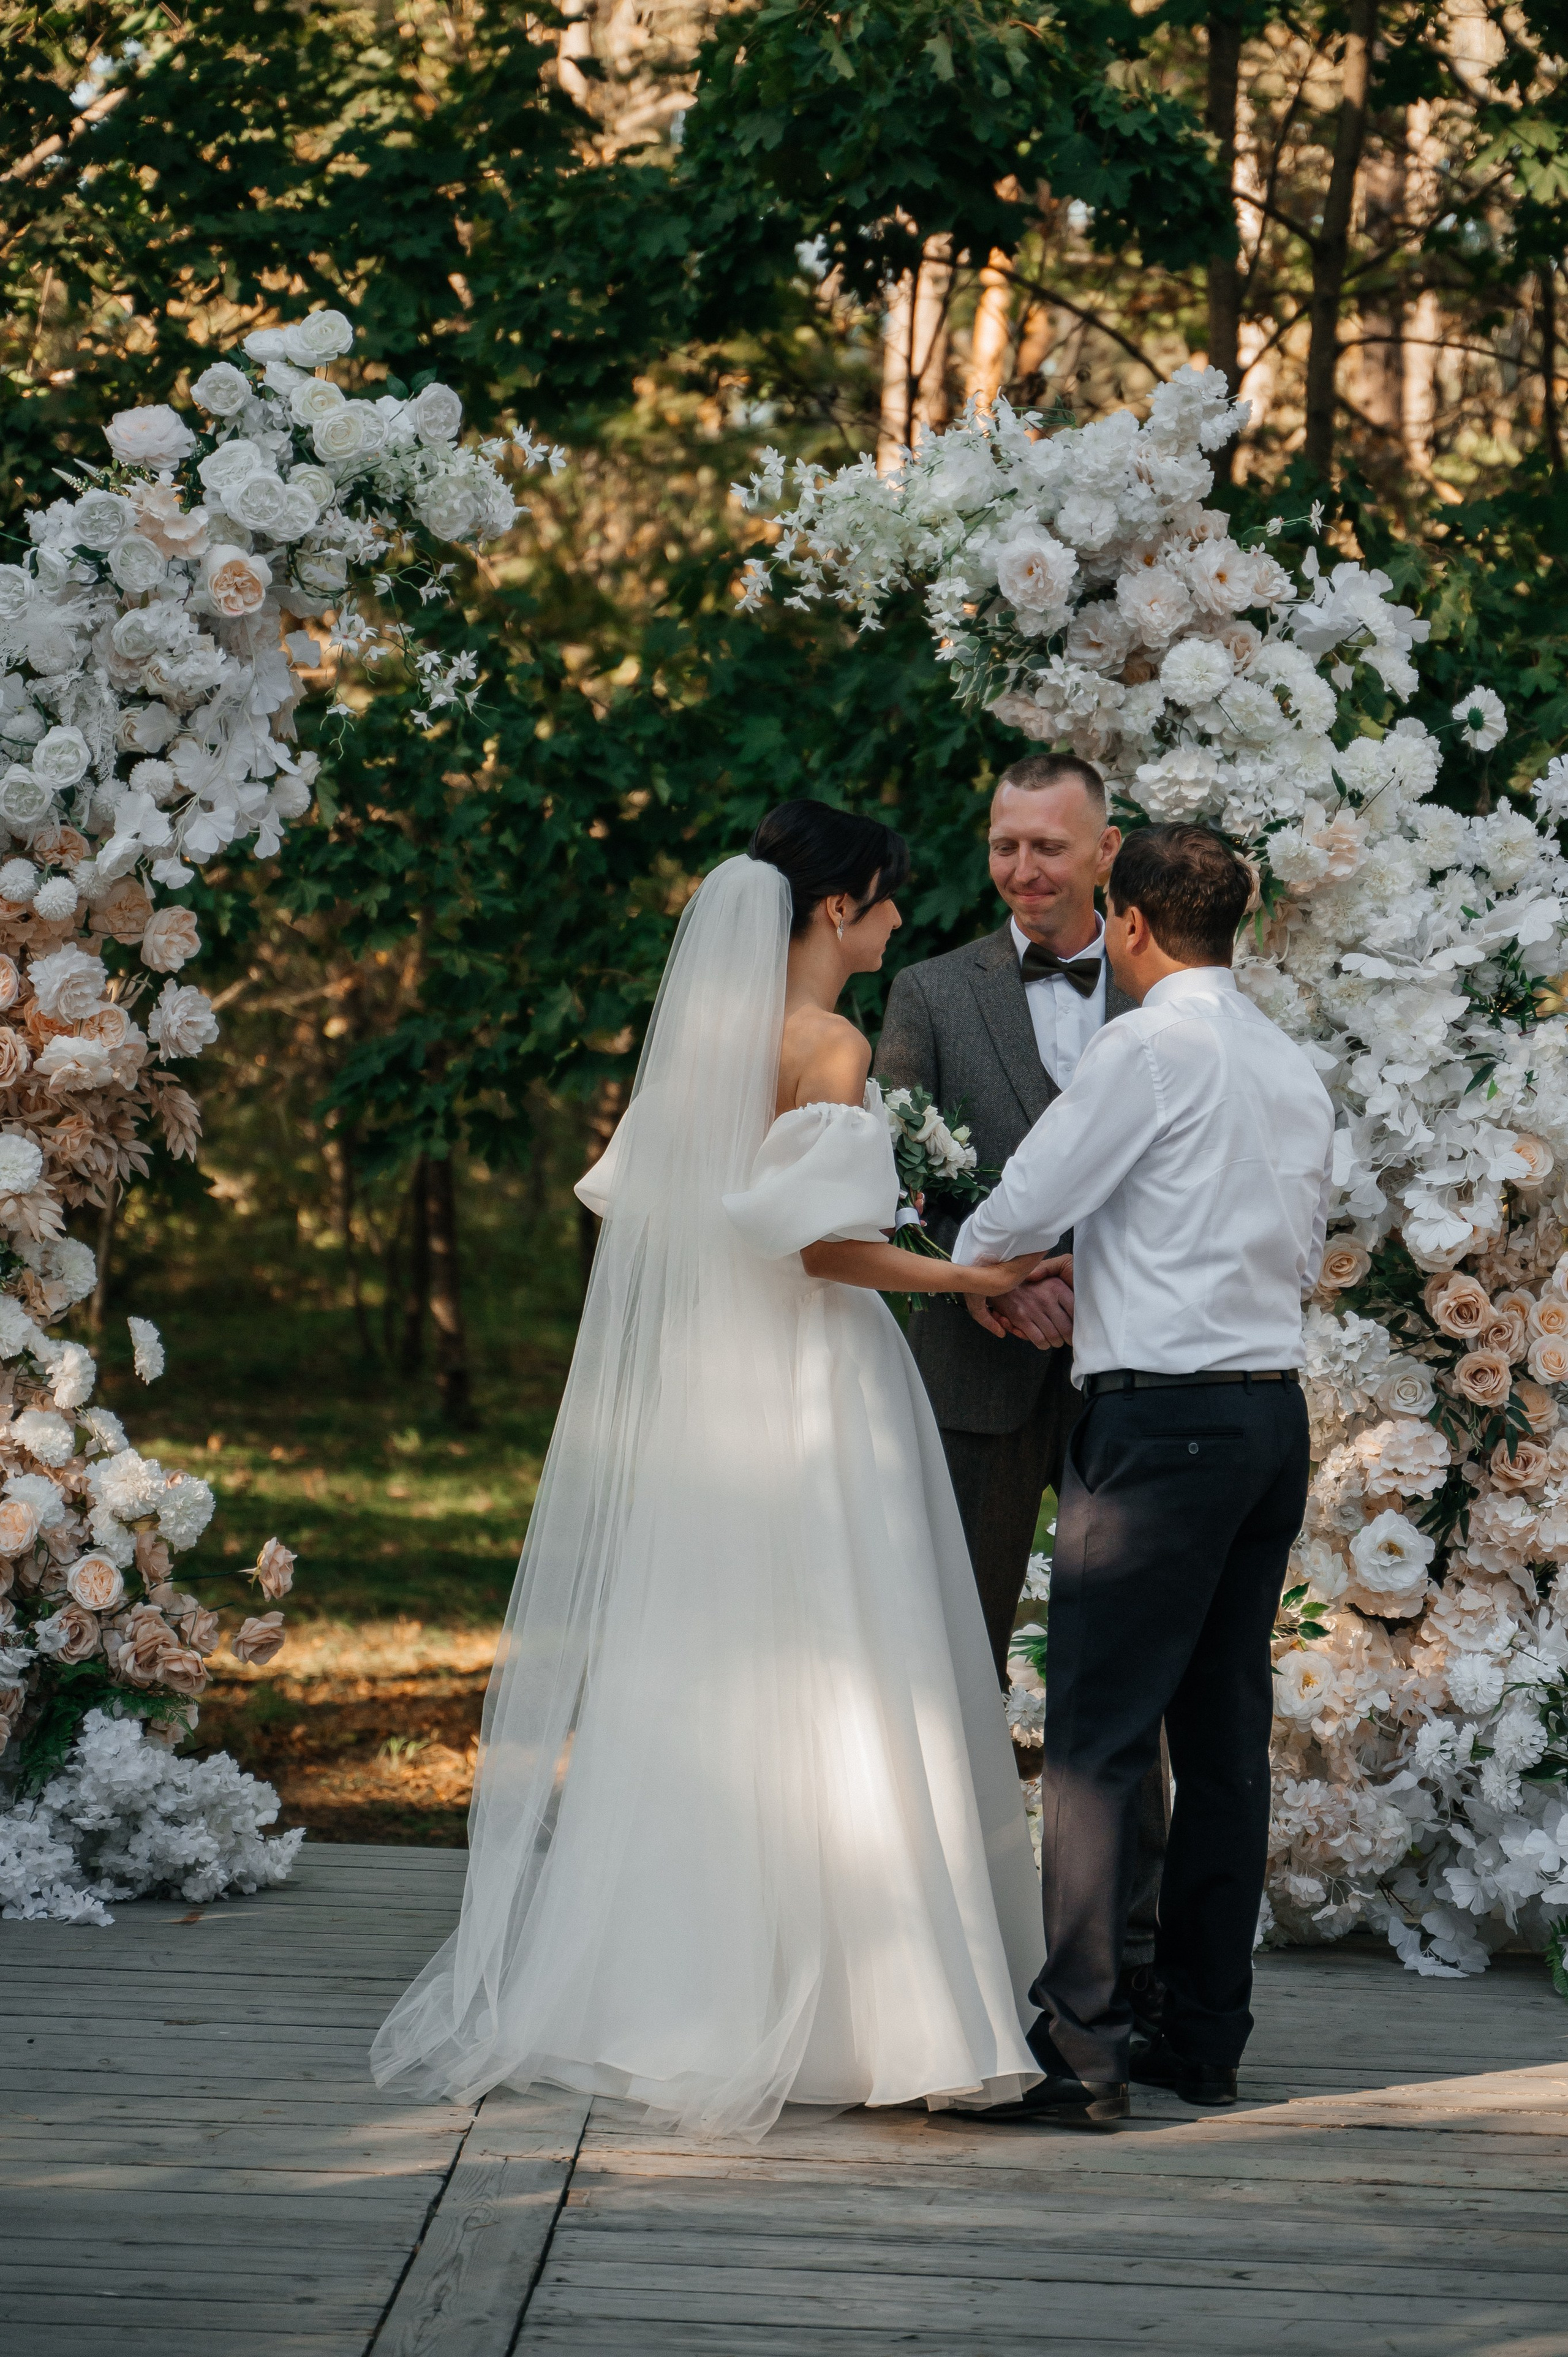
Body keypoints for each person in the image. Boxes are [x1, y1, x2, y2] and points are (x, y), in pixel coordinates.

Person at [372, 802, 1049, 2140]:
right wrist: (970, 1271)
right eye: (884, 899)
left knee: (711, 1661)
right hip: (814, 1375)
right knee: (853, 1652)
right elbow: (823, 1249)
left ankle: (667, 1989)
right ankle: (881, 2010)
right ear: (835, 909)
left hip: (710, 1390)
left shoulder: (695, 1044)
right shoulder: (832, 1043)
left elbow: (649, 1205)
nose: (900, 922)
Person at [949, 822, 1335, 2129]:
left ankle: (1084, 2052)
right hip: (1265, 1419)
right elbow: (1291, 1258)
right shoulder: (1286, 1064)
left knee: (1098, 1744)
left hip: (1156, 1422)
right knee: (1222, 1740)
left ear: (1126, 925)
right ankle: (1201, 2036)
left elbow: (1016, 1207)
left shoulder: (1143, 1047)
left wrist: (1000, 1272)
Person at [874, 753, 1167, 2032]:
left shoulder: (1174, 996)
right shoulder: (931, 989)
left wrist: (1091, 1290)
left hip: (1133, 1378)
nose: (1022, 869)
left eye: (1048, 846)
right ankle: (948, 1959)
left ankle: (1124, 1967)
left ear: (1107, 854)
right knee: (952, 1657)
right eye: (1003, 844)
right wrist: (986, 1284)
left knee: (1124, 1686)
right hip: (974, 1373)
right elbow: (886, 1167)